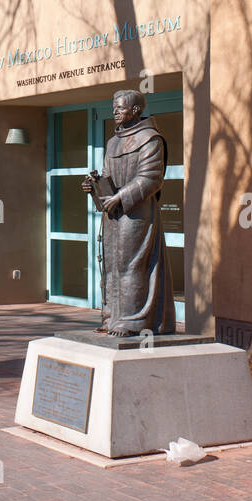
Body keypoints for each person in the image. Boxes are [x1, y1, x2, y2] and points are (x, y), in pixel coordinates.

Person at [82, 89, 175, 336]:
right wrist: (94, 187)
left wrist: (121, 197)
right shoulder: (113, 142)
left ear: (135, 110)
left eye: (120, 108)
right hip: (113, 213)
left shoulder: (150, 139)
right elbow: (107, 177)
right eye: (113, 108)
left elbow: (151, 178)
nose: (115, 112)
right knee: (111, 264)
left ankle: (134, 321)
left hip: (137, 213)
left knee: (130, 264)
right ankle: (112, 317)